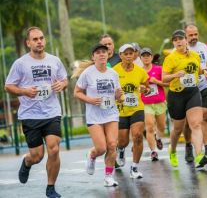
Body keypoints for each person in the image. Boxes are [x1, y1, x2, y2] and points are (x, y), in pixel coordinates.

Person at [5, 27, 68, 198]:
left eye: (41, 38)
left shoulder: (54, 61)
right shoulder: (20, 63)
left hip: (52, 112)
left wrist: (62, 85)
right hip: (30, 115)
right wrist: (25, 91)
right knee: (37, 155)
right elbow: (8, 86)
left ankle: (50, 187)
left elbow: (64, 79)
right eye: (35, 39)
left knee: (54, 149)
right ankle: (27, 162)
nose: (39, 41)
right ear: (28, 43)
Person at [73, 44, 123, 187]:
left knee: (112, 145)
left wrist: (119, 95)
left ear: (107, 55)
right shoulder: (88, 73)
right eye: (98, 52)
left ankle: (108, 176)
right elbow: (76, 92)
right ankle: (92, 155)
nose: (102, 54)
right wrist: (89, 100)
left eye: (104, 52)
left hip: (111, 113)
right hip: (94, 116)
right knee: (101, 148)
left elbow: (118, 95)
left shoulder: (113, 73)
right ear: (93, 57)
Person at [162, 29, 207, 169]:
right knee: (177, 129)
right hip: (176, 95)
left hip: (192, 92)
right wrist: (175, 75)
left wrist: (206, 72)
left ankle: (199, 155)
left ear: (185, 40)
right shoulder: (170, 58)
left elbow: (197, 70)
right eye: (175, 40)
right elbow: (163, 78)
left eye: (180, 39)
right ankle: (173, 151)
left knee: (196, 124)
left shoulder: (194, 55)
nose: (178, 41)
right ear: (173, 43)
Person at [113, 43, 150, 178]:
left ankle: (134, 168)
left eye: (131, 53)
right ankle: (121, 150)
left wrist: (145, 89)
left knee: (138, 136)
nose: (129, 56)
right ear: (120, 55)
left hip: (137, 108)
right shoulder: (114, 71)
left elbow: (147, 88)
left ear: (135, 55)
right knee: (123, 141)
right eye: (126, 54)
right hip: (121, 110)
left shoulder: (140, 71)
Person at [182, 24, 207, 163]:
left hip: (203, 85)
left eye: (195, 34)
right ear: (185, 36)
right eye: (191, 35)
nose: (194, 37)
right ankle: (188, 146)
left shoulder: (203, 46)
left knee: (206, 114)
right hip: (188, 89)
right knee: (188, 123)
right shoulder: (180, 50)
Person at [140, 47, 168, 161]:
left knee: (161, 127)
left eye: (148, 56)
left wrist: (157, 82)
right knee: (150, 126)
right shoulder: (138, 71)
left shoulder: (159, 69)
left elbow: (167, 84)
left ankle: (158, 137)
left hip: (160, 102)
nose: (146, 58)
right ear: (140, 58)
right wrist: (141, 88)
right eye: (144, 56)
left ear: (151, 57)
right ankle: (153, 151)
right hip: (146, 104)